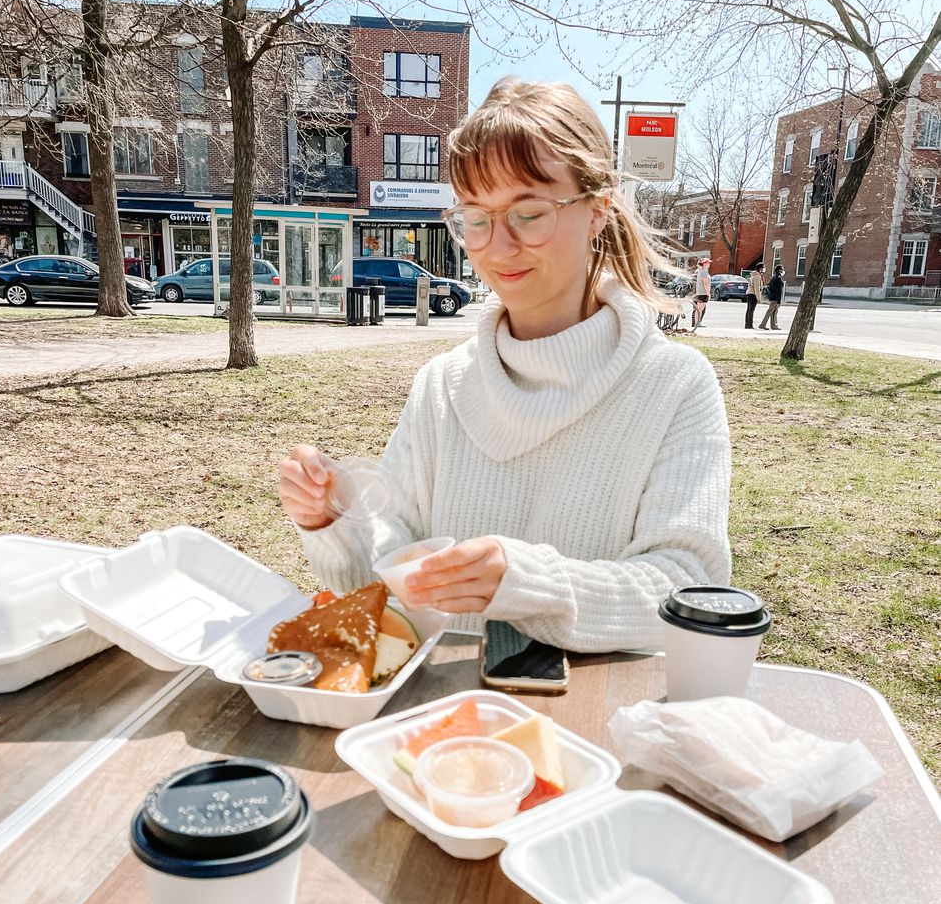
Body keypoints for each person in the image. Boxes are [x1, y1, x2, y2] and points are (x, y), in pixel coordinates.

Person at [277, 79, 732, 653]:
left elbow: (690, 586)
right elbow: (390, 575)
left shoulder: (674, 385)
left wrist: (529, 585)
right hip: (442, 703)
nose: (497, 247)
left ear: (598, 211)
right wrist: (332, 521)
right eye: (476, 217)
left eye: (529, 213)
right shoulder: (442, 385)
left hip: (596, 706)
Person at [759, 264, 785, 330]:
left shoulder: (773, 278)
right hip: (775, 298)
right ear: (779, 271)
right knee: (770, 311)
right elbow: (778, 291)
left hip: (771, 297)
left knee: (774, 312)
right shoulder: (778, 279)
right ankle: (763, 324)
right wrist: (779, 301)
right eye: (782, 270)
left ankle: (774, 325)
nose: (783, 272)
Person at [745, 262, 765, 330]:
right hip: (752, 294)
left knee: (749, 310)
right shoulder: (757, 276)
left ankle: (747, 324)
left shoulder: (753, 275)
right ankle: (749, 325)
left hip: (749, 293)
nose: (764, 270)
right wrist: (758, 298)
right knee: (751, 310)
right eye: (763, 268)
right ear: (760, 269)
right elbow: (757, 288)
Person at [692, 257, 711, 329]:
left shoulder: (700, 270)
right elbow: (705, 283)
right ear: (704, 263)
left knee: (698, 309)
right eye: (708, 263)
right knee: (700, 309)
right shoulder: (704, 272)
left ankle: (697, 323)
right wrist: (708, 293)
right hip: (703, 292)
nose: (709, 264)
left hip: (700, 292)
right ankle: (697, 323)